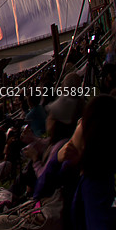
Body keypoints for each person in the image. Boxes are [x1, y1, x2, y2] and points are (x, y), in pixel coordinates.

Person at [58, 94, 116, 229]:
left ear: (91, 134)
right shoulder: (99, 170)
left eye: (83, 120)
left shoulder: (96, 187)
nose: (78, 122)